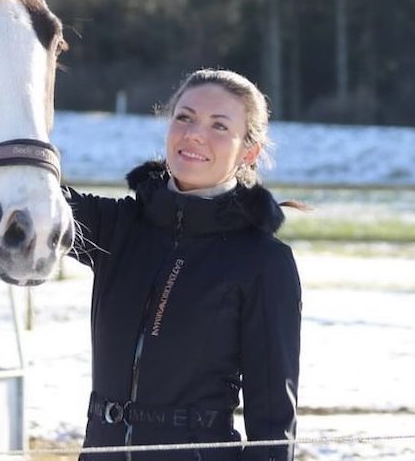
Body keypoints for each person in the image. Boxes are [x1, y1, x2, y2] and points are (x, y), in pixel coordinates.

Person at [65, 68, 302, 461]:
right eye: (185, 117)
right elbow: (28, 199)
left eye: (219, 126)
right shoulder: (116, 227)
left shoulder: (264, 262)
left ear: (250, 150)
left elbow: (273, 418)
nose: (194, 134)